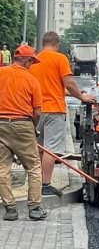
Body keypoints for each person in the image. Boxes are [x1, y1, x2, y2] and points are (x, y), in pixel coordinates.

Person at [30, 32, 96, 196]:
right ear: (56, 44)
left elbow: (49, 87)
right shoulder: (59, 58)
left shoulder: (34, 61)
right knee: (50, 150)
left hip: (36, 111)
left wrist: (70, 93)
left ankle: (36, 183)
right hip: (54, 110)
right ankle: (45, 185)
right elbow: (69, 82)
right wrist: (81, 96)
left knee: (38, 149)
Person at [0, 45, 48, 221]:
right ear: (27, 60)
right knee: (34, 166)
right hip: (22, 124)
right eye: (32, 61)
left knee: (2, 169)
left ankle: (10, 209)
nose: (32, 64)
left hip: (1, 125)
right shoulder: (32, 80)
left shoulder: (1, 73)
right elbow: (37, 112)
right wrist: (32, 129)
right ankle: (34, 208)